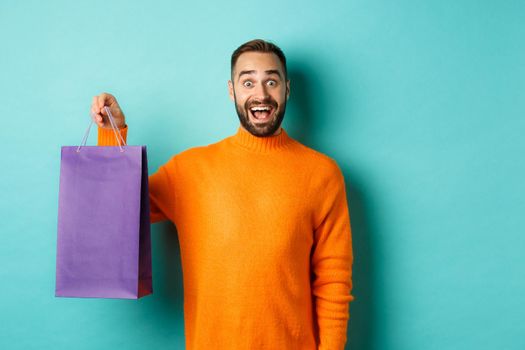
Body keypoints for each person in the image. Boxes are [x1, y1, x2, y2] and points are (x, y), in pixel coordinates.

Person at [90, 39, 354, 350]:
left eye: (271, 81)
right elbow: (118, 212)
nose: (261, 94)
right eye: (248, 82)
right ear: (232, 91)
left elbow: (333, 281)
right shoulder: (189, 170)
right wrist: (112, 133)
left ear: (287, 89)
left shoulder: (322, 174)